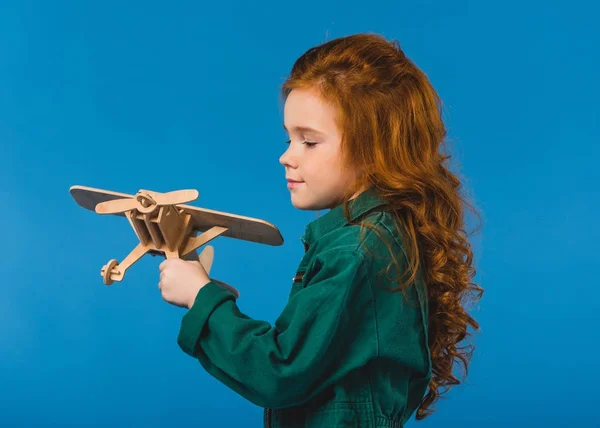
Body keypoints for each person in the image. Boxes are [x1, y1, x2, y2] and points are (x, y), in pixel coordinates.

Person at [157, 32, 483, 427]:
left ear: (373, 148)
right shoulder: (379, 237)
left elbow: (280, 371)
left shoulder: (356, 252)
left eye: (309, 141)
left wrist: (201, 298)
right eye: (288, 137)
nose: (286, 156)